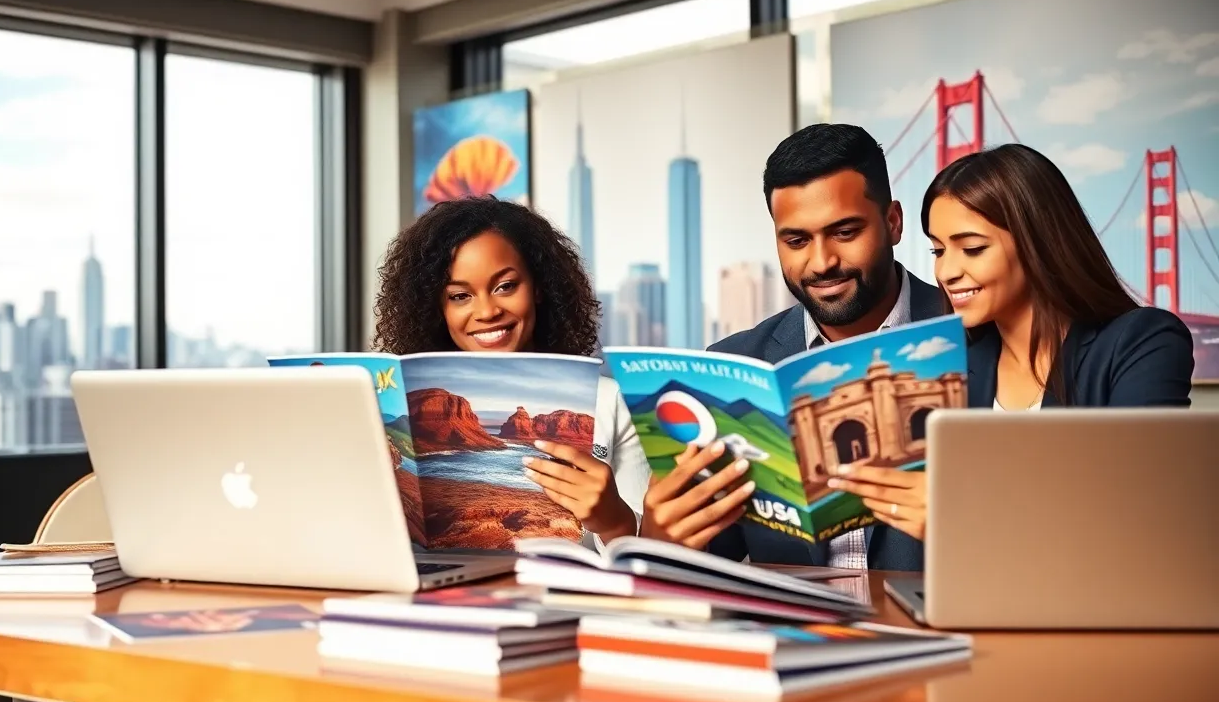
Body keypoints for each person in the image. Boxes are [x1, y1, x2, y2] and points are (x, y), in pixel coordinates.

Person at [825, 144, 1194, 556]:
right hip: (974, 606)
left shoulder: (1142, 343)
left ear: (1039, 242)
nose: (946, 271)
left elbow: (1143, 518)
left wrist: (968, 518)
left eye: (973, 248)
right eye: (938, 250)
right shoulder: (954, 366)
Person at [639, 123, 946, 571]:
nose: (821, 263)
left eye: (844, 232)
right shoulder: (733, 365)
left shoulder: (973, 338)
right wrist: (662, 535)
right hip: (796, 637)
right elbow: (701, 559)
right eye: (797, 240)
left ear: (893, 223)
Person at [372, 196, 649, 549]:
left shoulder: (615, 402)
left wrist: (613, 518)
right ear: (435, 307)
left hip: (565, 600)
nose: (486, 311)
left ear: (539, 287)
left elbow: (652, 558)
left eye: (505, 286)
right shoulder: (391, 402)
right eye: (460, 295)